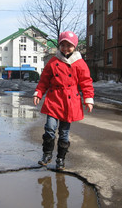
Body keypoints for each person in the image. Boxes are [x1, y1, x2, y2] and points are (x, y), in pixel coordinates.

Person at [33, 31, 94, 170]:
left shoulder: (79, 63)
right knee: (49, 128)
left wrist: (88, 98)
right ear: (59, 45)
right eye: (63, 45)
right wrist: (38, 93)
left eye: (69, 45)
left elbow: (86, 82)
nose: (66, 48)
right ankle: (47, 154)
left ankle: (60, 159)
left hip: (70, 102)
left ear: (75, 46)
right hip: (54, 99)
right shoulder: (53, 61)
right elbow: (44, 80)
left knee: (64, 132)